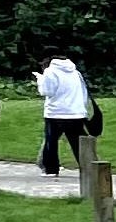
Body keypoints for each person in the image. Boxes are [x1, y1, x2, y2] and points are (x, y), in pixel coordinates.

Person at [35, 48, 90, 176]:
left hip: (56, 112)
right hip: (76, 113)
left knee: (51, 142)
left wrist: (40, 80)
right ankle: (88, 166)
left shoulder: (50, 72)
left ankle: (51, 169)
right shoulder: (75, 72)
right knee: (78, 142)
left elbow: (47, 91)